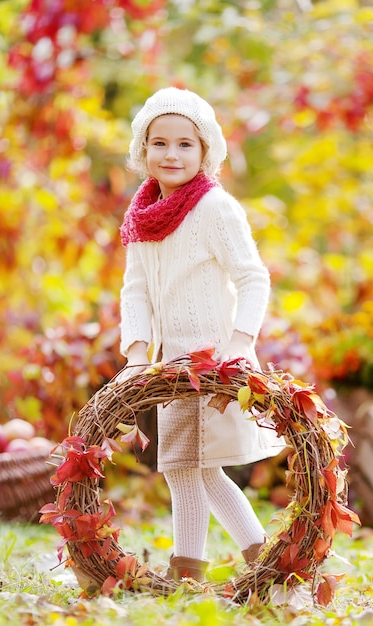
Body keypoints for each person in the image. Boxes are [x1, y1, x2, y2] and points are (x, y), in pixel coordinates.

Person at [118, 87, 286, 583]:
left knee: (203, 466)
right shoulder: (142, 219)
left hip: (213, 364)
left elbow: (253, 277)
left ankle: (261, 563)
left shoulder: (215, 208)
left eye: (185, 144)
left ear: (205, 150)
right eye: (160, 143)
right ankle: (194, 570)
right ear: (142, 150)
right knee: (179, 467)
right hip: (172, 367)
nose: (172, 154)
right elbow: (136, 291)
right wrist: (136, 353)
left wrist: (239, 342)